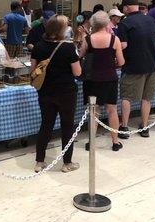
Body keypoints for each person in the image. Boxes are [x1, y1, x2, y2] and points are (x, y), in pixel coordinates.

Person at [31, 15, 81, 173]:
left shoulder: (39, 46)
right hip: (66, 92)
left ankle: (39, 161)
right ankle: (67, 163)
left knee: (46, 125)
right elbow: (77, 72)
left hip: (45, 91)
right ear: (60, 29)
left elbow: (34, 71)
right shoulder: (67, 47)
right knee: (67, 126)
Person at [117, 0, 155, 138]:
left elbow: (123, 45)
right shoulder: (151, 20)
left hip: (133, 66)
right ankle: (144, 127)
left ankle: (124, 127)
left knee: (127, 96)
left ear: (126, 8)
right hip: (152, 65)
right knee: (147, 98)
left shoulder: (124, 24)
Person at [79, 11, 125, 151]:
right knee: (112, 109)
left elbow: (80, 55)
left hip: (92, 79)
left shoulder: (88, 39)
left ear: (93, 23)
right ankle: (115, 142)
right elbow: (122, 61)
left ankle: (91, 142)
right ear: (106, 23)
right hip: (110, 77)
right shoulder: (114, 39)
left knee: (94, 111)